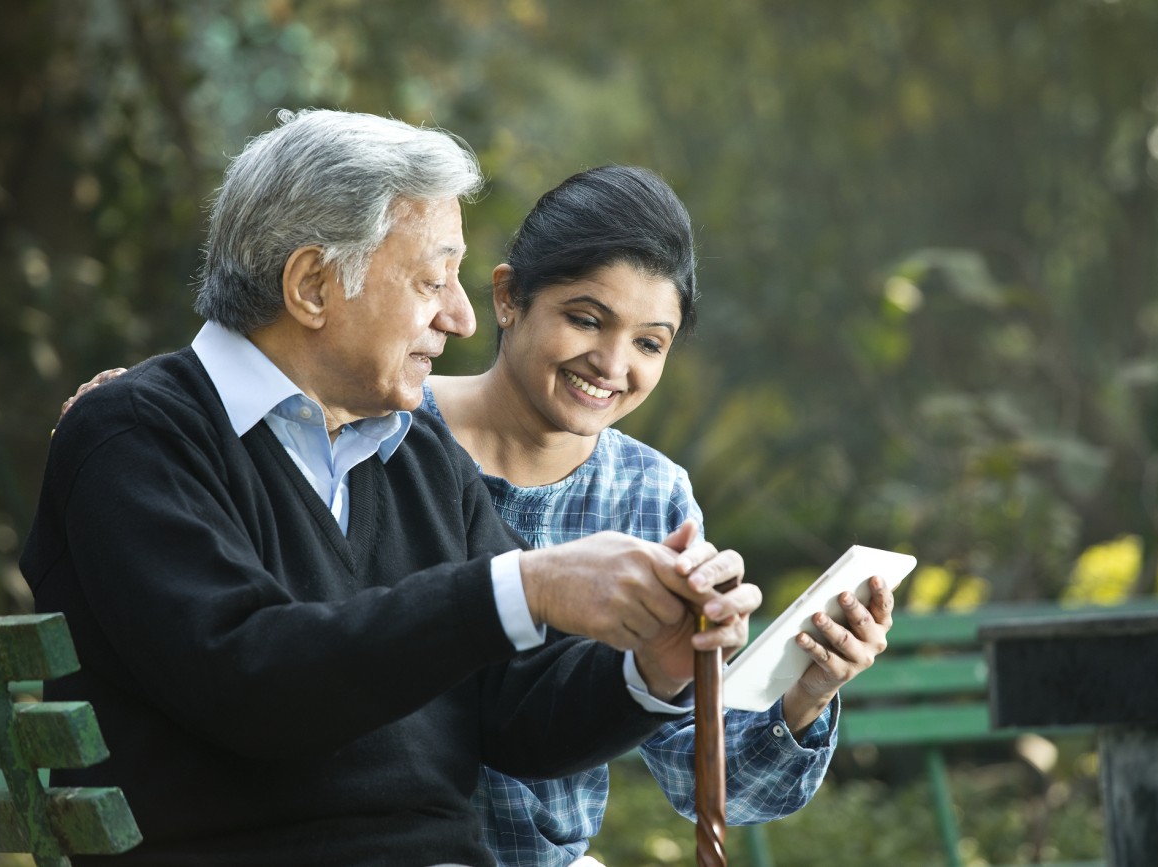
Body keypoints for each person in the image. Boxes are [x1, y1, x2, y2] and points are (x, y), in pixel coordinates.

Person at [60, 165, 896, 866]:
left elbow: (531, 714)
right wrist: (523, 587)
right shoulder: (194, 431)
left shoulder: (418, 453)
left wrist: (664, 668)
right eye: (432, 281)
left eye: (651, 341)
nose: (454, 317)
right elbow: (256, 667)